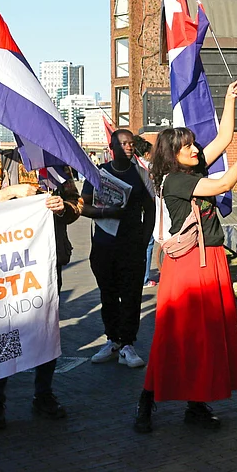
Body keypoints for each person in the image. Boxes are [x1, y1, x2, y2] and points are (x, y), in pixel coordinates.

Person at [134, 79, 237, 433]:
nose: (194, 149)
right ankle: (147, 401)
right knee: (176, 334)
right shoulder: (174, 180)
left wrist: (229, 98)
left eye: (192, 145)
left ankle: (196, 404)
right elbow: (222, 185)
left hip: (210, 259)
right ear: (172, 154)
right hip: (189, 265)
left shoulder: (191, 169)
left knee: (206, 335)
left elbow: (224, 138)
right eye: (186, 146)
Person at [0, 144, 82, 430]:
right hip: (10, 265)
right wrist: (11, 193)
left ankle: (43, 394)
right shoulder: (2, 160)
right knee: (6, 331)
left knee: (46, 328)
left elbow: (76, 206)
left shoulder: (56, 162)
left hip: (48, 259)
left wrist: (62, 207)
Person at [81, 129, 157, 369]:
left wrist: (144, 240)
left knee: (132, 294)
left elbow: (151, 211)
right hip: (103, 245)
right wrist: (106, 212)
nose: (128, 147)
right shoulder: (98, 173)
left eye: (131, 143)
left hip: (132, 244)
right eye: (122, 143)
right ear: (111, 147)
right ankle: (112, 340)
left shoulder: (142, 175)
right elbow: (83, 206)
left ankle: (128, 343)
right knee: (108, 294)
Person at [132, 137, 160, 287]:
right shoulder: (146, 167)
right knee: (148, 243)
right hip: (146, 209)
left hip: (139, 211)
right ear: (147, 153)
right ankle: (144, 278)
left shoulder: (133, 166)